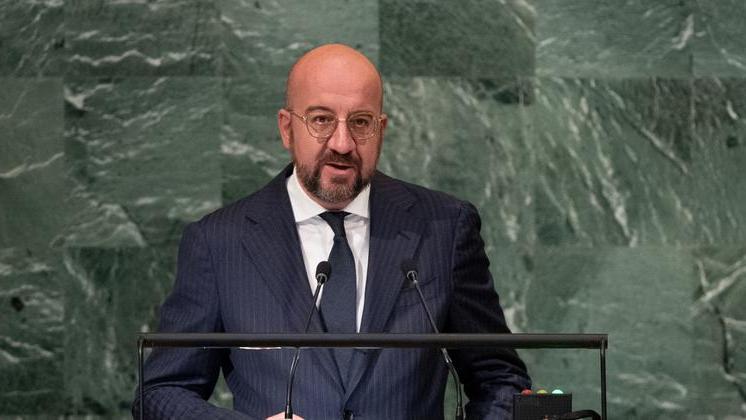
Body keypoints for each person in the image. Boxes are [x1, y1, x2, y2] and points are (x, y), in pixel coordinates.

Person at [134, 43, 530, 420]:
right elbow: (160, 392)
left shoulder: (443, 228)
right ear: (287, 128)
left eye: (360, 122)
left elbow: (500, 379)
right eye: (321, 119)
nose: (342, 143)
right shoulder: (220, 242)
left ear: (381, 129)